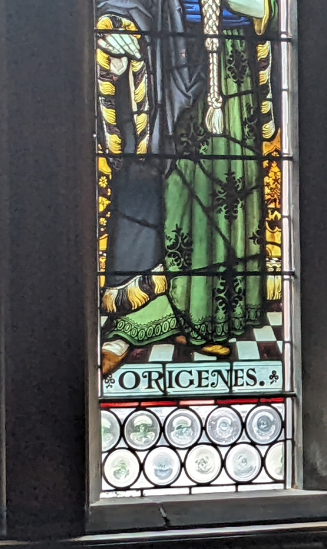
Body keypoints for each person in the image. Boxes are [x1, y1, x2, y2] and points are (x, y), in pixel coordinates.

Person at [95, 0, 279, 375]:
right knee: (181, 197)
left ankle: (213, 319)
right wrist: (116, 24)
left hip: (234, 65)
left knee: (232, 191)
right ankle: (143, 322)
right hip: (170, 60)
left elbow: (269, 9)